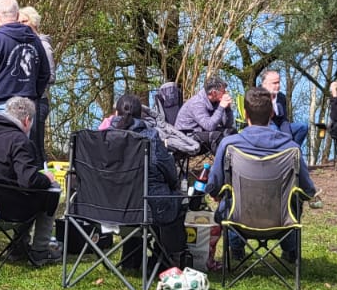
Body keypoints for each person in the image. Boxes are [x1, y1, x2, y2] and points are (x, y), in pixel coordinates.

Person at [208, 88, 316, 263]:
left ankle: (236, 248)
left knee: (227, 203)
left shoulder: (229, 145)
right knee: (293, 201)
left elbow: (213, 185)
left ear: (244, 113)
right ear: (272, 113)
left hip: (238, 220)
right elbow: (308, 189)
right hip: (280, 222)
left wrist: (216, 193)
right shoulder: (291, 148)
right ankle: (290, 250)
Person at [0, 97, 62, 266]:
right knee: (52, 191)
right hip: (2, 211)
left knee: (20, 192)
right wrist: (47, 179)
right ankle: (40, 251)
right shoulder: (18, 140)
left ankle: (18, 246)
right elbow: (29, 180)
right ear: (27, 120)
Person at [108, 94, 190, 275]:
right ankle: (165, 262)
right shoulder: (150, 137)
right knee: (174, 202)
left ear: (116, 113)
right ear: (141, 116)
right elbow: (169, 171)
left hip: (108, 208)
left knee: (135, 199)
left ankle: (130, 260)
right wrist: (174, 186)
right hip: (148, 209)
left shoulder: (101, 139)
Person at [0, 0, 53, 127]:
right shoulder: (35, 41)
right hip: (25, 106)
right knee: (19, 146)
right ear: (16, 15)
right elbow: (44, 74)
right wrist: (33, 96)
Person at [18, 5, 56, 155]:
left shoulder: (44, 46)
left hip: (39, 102)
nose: (20, 25)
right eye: (18, 22)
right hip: (22, 103)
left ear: (33, 22)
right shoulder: (21, 46)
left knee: (36, 147)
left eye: (24, 21)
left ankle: (42, 175)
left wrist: (31, 85)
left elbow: (51, 76)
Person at [174, 78, 235, 151]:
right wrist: (221, 107)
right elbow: (209, 126)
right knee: (216, 136)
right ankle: (223, 162)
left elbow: (227, 125)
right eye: (223, 91)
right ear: (214, 93)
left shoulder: (215, 101)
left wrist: (227, 109)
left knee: (231, 132)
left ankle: (235, 159)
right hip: (187, 136)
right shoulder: (197, 103)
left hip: (202, 131)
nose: (226, 93)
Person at [261, 70, 309, 147]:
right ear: (264, 84)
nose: (278, 86)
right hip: (265, 127)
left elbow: (284, 120)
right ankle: (284, 151)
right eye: (274, 83)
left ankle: (293, 150)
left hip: (280, 127)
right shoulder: (256, 95)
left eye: (278, 82)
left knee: (303, 126)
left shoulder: (281, 97)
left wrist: (287, 135)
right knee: (274, 129)